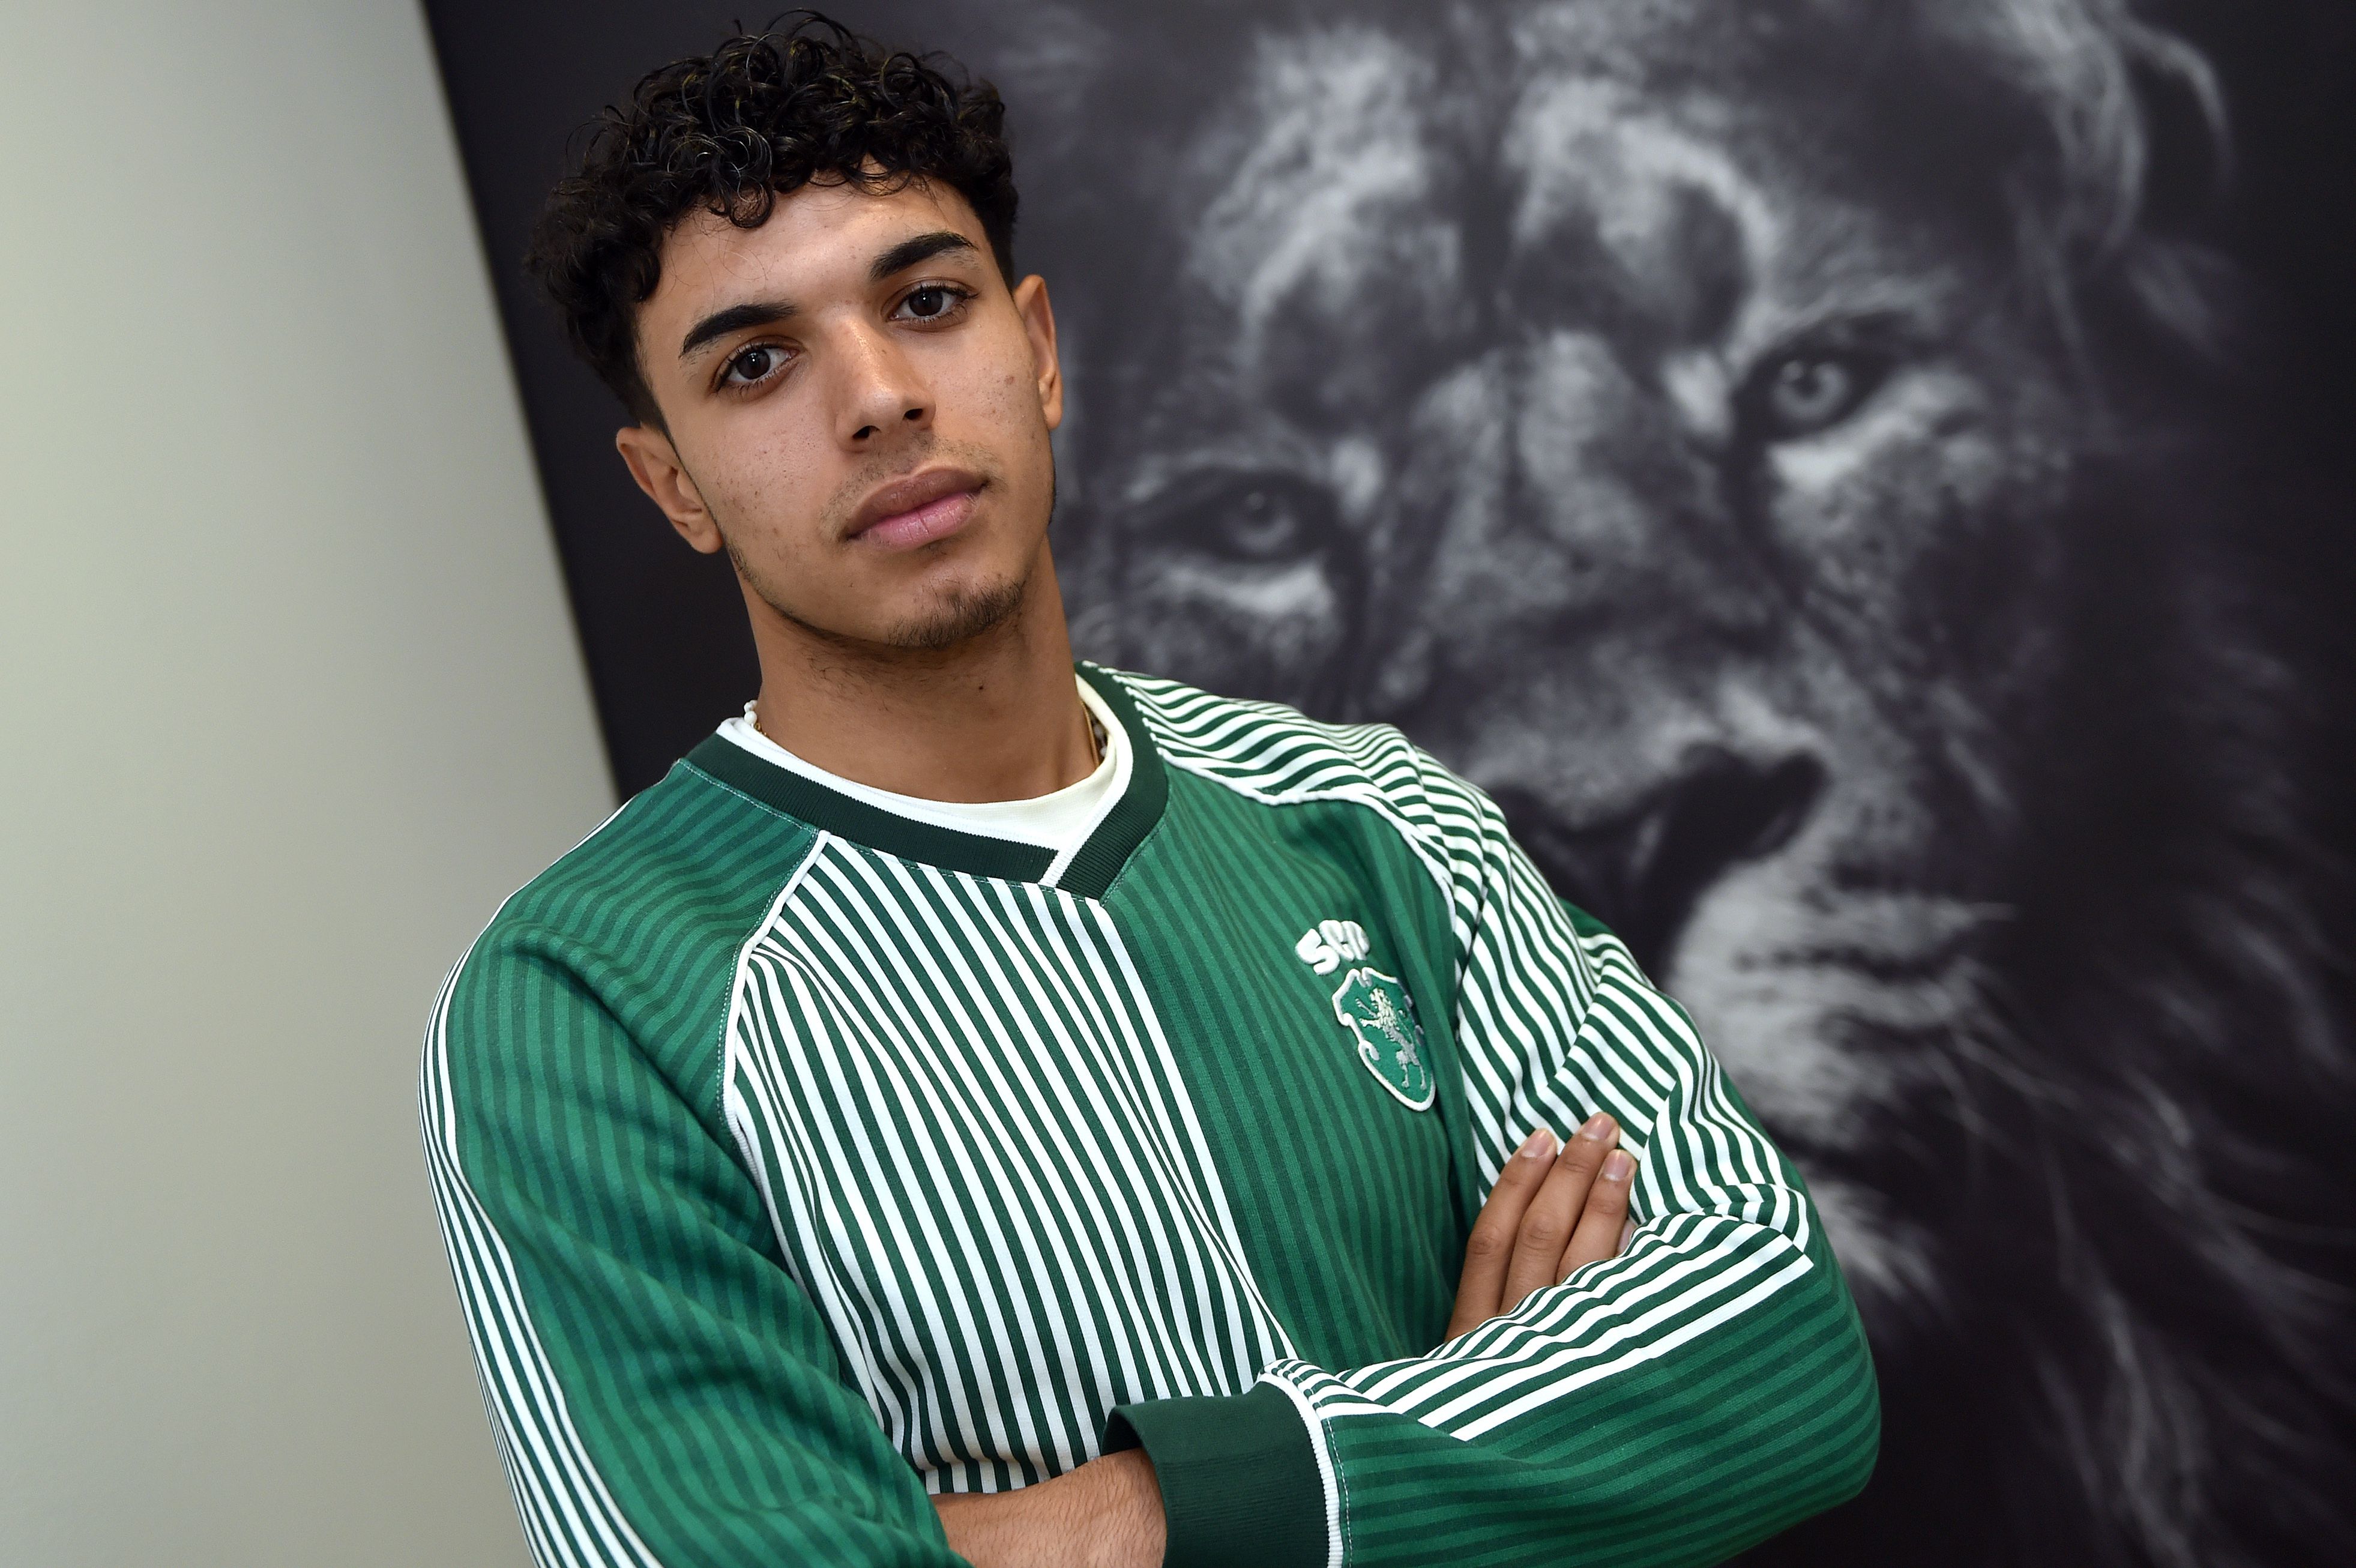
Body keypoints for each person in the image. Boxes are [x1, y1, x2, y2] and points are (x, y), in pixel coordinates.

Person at [421, 17, 1879, 1567]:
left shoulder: (1379, 815)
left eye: (927, 301)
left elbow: (1783, 1362)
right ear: (672, 485)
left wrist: (1107, 1520)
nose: (880, 396)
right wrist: (1490, 1438)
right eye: (757, 362)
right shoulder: (584, 1005)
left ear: (1039, 350)